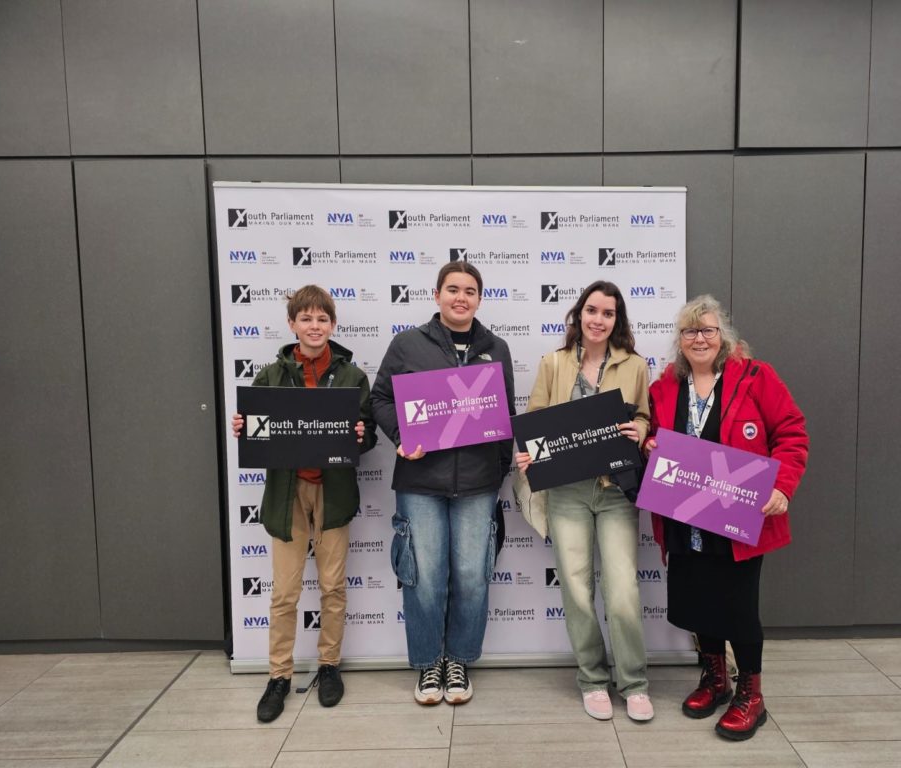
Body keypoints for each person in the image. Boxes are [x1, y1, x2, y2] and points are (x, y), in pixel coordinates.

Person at [645, 294, 808, 740]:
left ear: (723, 336)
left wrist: (782, 486)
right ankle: (715, 679)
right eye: (690, 332)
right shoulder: (663, 387)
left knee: (738, 608)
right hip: (684, 519)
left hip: (740, 520)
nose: (699, 339)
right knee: (699, 603)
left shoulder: (756, 377)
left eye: (708, 330)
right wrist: (650, 447)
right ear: (680, 341)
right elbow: (655, 441)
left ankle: (751, 696)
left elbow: (792, 433)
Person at [370, 262, 515, 706]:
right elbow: (380, 398)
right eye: (452, 289)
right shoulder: (407, 344)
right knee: (426, 577)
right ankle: (429, 662)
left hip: (477, 483)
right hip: (421, 480)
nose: (461, 297)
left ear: (479, 299)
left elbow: (505, 414)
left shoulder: (497, 347)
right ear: (436, 295)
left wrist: (498, 469)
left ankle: (459, 660)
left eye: (470, 291)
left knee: (472, 576)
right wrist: (401, 436)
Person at [230, 285, 377, 723]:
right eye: (306, 319)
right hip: (287, 493)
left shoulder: (353, 376)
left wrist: (360, 436)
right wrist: (244, 427)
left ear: (333, 325)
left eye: (322, 319)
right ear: (292, 324)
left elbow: (367, 434)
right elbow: (256, 428)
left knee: (332, 586)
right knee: (285, 592)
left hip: (332, 492)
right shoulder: (272, 375)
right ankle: (279, 675)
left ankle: (329, 666)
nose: (315, 327)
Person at [515, 280, 654, 722]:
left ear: (618, 320)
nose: (598, 320)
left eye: (607, 313)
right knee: (576, 589)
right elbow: (536, 419)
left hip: (615, 491)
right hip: (567, 492)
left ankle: (633, 682)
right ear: (579, 315)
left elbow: (643, 414)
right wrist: (528, 453)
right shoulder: (553, 363)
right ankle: (592, 679)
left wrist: (642, 431)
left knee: (623, 591)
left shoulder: (635, 365)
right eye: (591, 310)